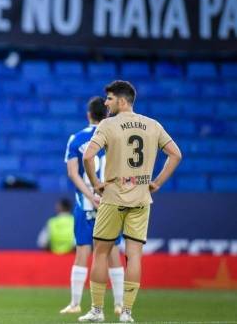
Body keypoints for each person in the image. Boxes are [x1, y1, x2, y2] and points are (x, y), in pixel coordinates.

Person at [78, 80, 182, 323]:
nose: (105, 103)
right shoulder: (152, 125)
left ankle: (97, 310)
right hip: (141, 197)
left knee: (101, 252)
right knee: (134, 255)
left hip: (113, 195)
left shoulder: (108, 124)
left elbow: (88, 156)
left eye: (110, 98)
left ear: (122, 101)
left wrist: (96, 183)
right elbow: (176, 154)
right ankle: (126, 313)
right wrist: (156, 183)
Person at [61, 97, 124, 316]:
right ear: (107, 115)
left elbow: (72, 173)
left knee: (82, 251)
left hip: (86, 201)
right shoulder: (116, 137)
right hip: (111, 200)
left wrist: (91, 193)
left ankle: (75, 303)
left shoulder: (76, 138)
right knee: (113, 251)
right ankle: (118, 304)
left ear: (89, 114)